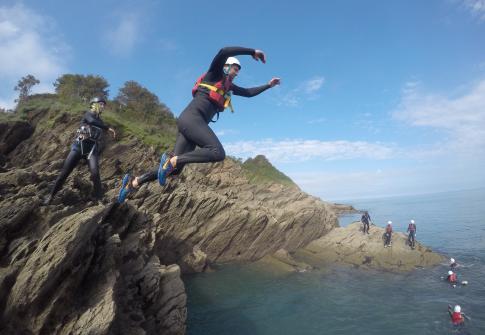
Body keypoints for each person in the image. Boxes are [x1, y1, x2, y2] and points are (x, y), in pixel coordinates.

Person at [118, 46, 280, 203]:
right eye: (235, 68)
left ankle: (134, 182)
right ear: (226, 66)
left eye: (238, 70)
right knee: (217, 153)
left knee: (175, 171)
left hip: (190, 124)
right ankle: (171, 160)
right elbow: (224, 51)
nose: (237, 72)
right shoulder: (214, 74)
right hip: (192, 119)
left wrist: (268, 85)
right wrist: (252, 52)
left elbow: (248, 93)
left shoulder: (228, 86)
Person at [44, 97, 116, 205]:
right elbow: (92, 121)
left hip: (92, 149)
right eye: (100, 104)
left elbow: (97, 129)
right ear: (93, 104)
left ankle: (99, 198)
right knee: (64, 173)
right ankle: (51, 195)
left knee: (95, 173)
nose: (102, 106)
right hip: (78, 147)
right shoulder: (88, 114)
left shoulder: (100, 121)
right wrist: (108, 128)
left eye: (103, 105)